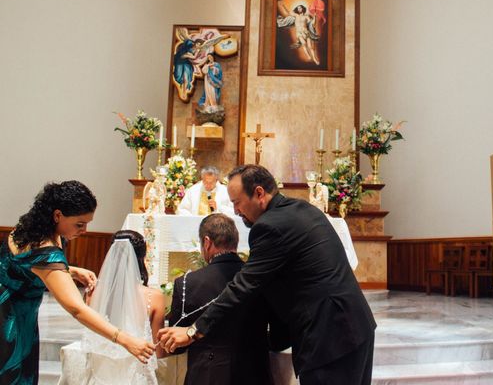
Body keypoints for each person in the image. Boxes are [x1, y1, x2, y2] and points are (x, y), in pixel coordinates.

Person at [158, 165, 376, 385]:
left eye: (237, 202)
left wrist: (194, 330)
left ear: (259, 193)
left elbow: (245, 284)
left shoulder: (270, 226)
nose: (235, 211)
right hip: (354, 325)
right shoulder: (303, 209)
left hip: (329, 337)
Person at [0, 181, 154, 385]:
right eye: (79, 224)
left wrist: (69, 270)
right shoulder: (46, 251)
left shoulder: (29, 228)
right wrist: (124, 339)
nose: (84, 230)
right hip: (12, 323)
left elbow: (23, 265)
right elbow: (76, 308)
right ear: (57, 215)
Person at [166, 213, 273, 385]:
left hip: (207, 375)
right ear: (235, 242)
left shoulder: (186, 283)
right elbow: (277, 336)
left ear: (207, 242)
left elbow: (176, 346)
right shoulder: (259, 278)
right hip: (253, 372)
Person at [60, 230, 166, 384]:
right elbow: (159, 352)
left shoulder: (93, 292)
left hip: (99, 375)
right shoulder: (155, 297)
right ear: (142, 258)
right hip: (135, 377)